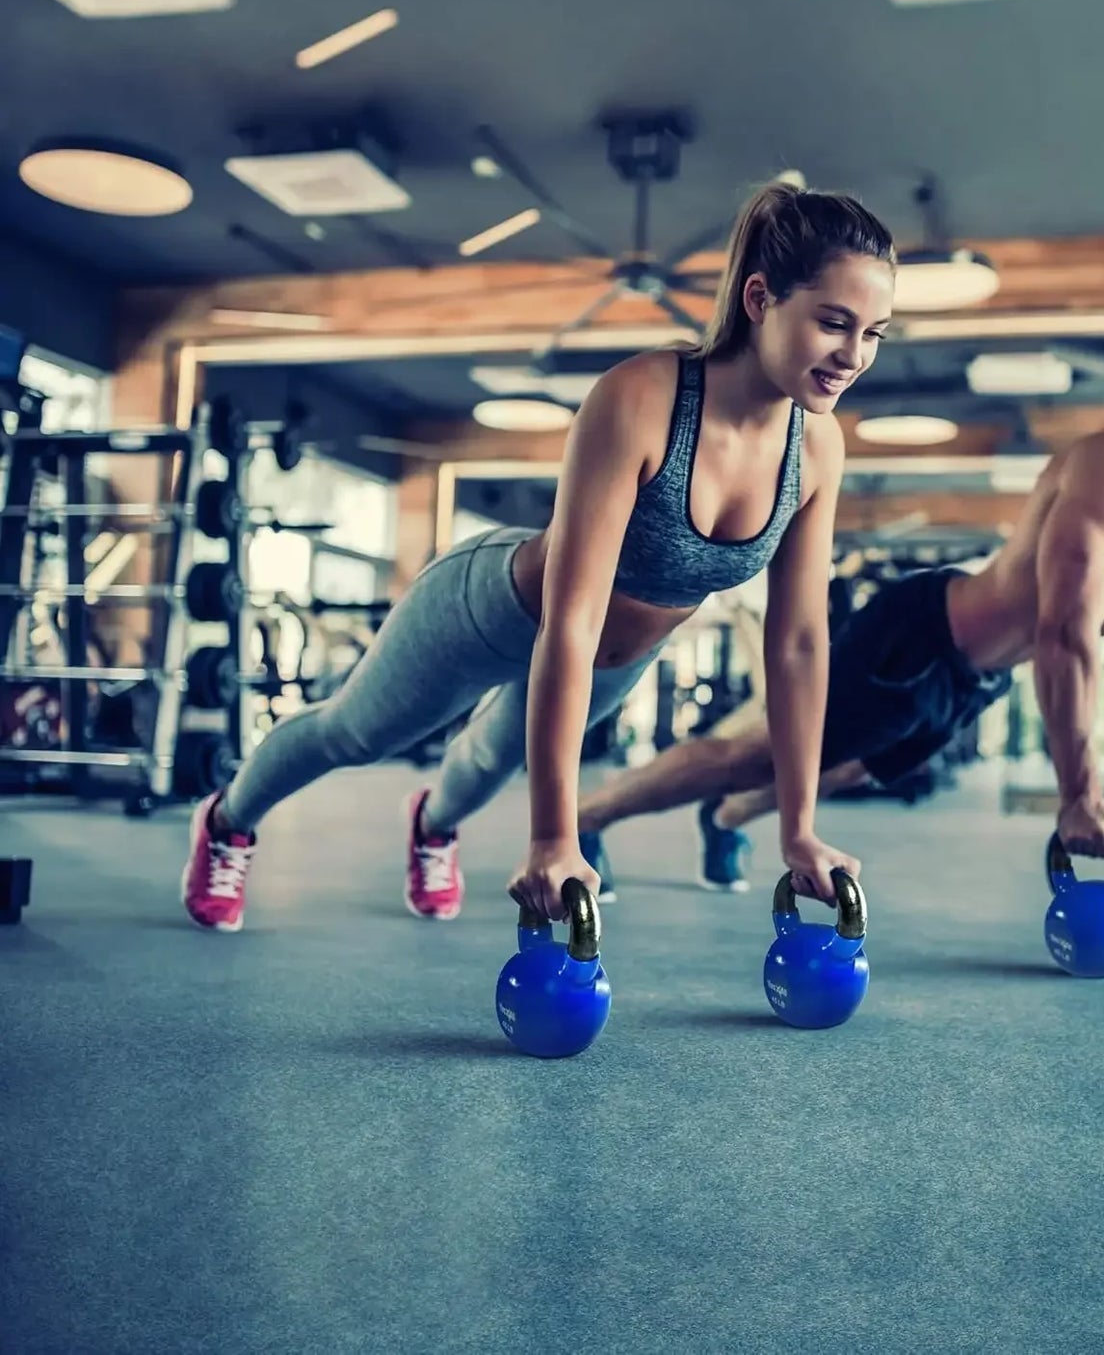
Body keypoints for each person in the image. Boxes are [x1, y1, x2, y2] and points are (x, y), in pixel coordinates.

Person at [180, 182, 897, 932]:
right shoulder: (642, 399)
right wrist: (553, 837)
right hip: (496, 610)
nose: (853, 356)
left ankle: (431, 824)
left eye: (874, 333)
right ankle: (228, 818)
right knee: (357, 733)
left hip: (614, 661)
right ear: (759, 298)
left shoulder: (816, 447)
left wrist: (797, 827)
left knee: (487, 765)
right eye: (833, 323)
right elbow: (572, 619)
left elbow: (798, 643)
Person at [574, 334, 1104, 885]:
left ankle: (722, 820)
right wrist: (1078, 793)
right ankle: (589, 816)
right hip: (920, 637)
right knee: (771, 755)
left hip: (975, 677)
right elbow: (1065, 632)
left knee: (846, 768)